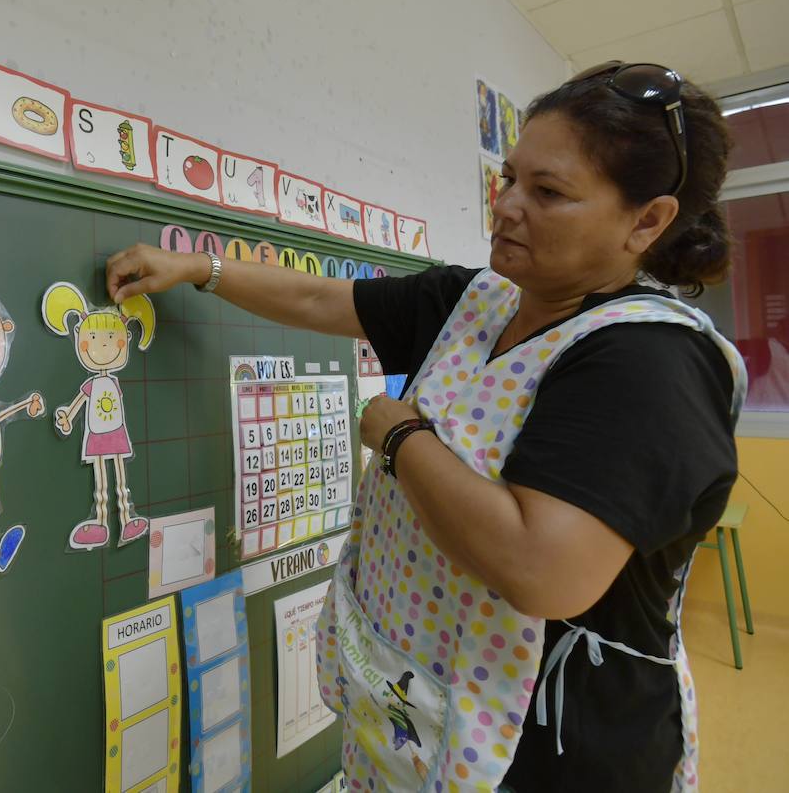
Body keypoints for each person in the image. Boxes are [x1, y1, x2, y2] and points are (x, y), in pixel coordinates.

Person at [105, 62, 746, 792]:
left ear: (648, 220)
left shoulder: (648, 362)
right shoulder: (476, 301)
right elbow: (323, 301)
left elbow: (543, 571)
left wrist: (404, 439)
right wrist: (198, 269)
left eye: (549, 193)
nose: (506, 208)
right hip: (410, 707)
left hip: (548, 750)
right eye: (507, 179)